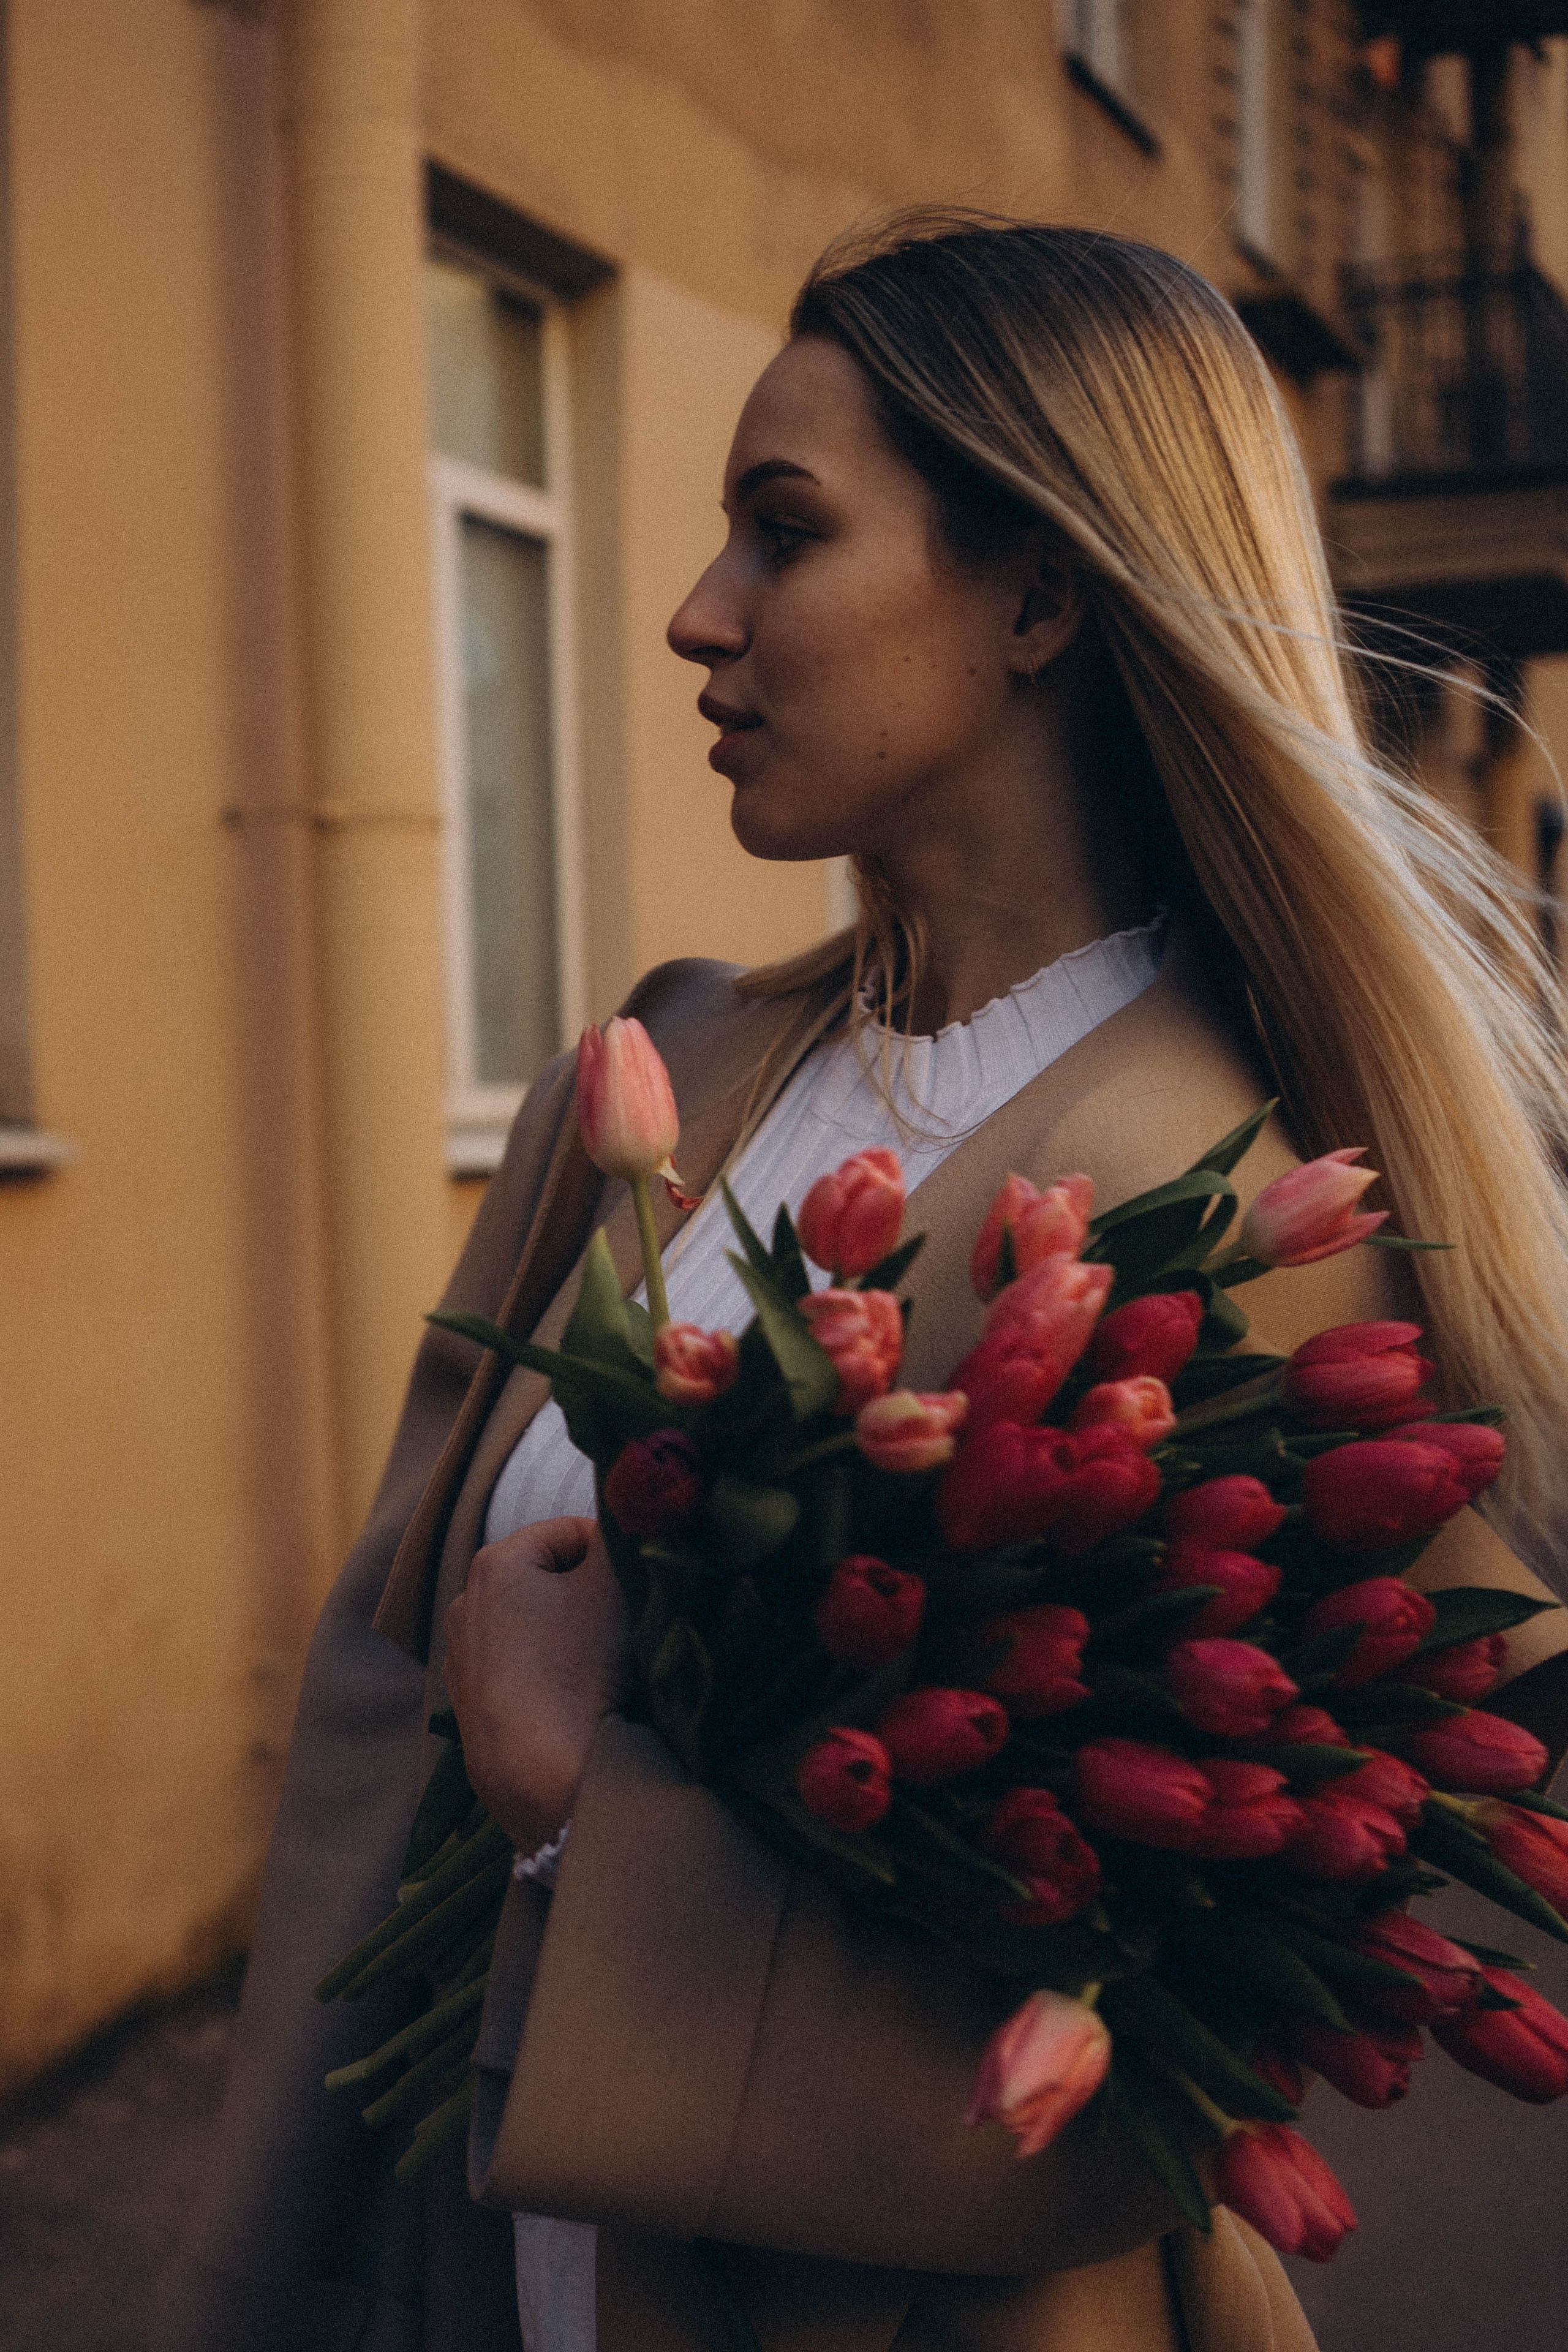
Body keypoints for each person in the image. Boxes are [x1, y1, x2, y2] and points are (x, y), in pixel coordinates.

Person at [154, 211, 1568, 2352]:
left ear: (1038, 598)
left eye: (785, 531)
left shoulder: (1242, 1226)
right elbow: (375, 1736)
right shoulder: (662, 1074)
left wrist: (580, 1816)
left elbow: (1149, 2041)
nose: (696, 610)